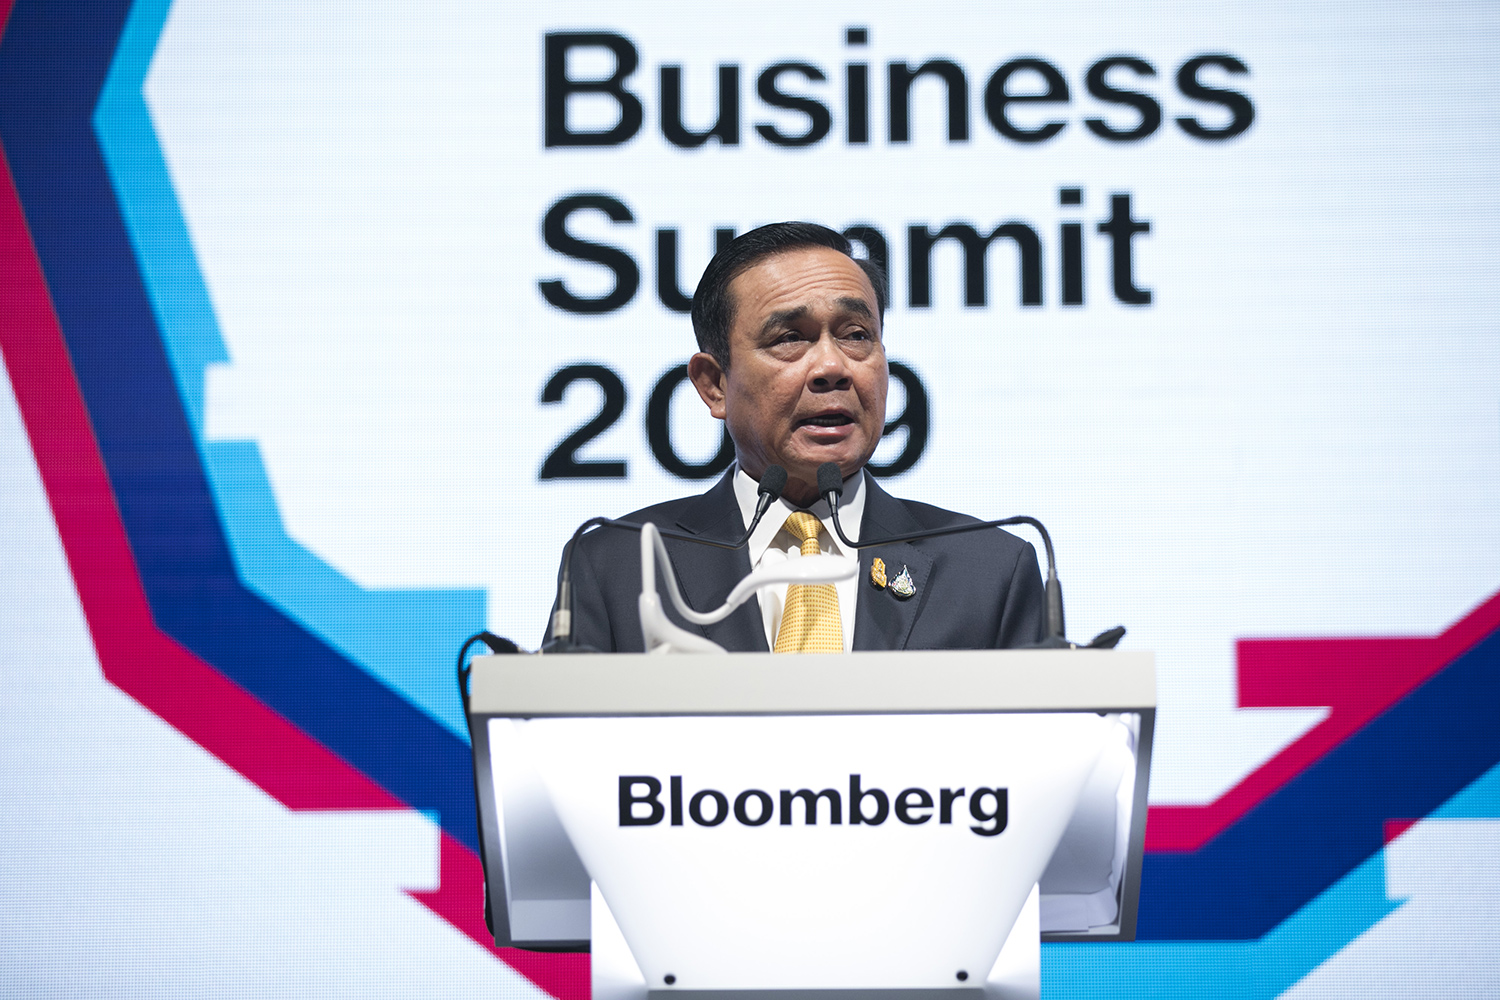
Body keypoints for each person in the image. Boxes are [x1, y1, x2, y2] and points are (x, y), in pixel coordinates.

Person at [546, 222, 1046, 653]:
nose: (833, 367)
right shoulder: (617, 568)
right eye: (789, 339)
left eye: (855, 335)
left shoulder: (990, 571)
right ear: (715, 385)